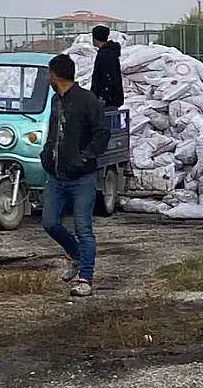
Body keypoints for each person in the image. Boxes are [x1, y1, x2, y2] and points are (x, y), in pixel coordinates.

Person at [40, 54, 109, 297]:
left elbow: (102, 132)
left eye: (49, 73)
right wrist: (46, 155)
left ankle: (85, 278)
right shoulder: (55, 100)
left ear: (55, 75)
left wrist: (85, 156)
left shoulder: (86, 100)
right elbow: (54, 133)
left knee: (83, 227)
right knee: (49, 222)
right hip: (56, 176)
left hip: (82, 177)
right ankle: (75, 254)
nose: (47, 78)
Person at [90, 25, 124, 108]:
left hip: (108, 100)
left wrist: (103, 97)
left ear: (94, 38)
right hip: (112, 98)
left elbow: (109, 76)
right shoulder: (109, 52)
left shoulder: (106, 54)